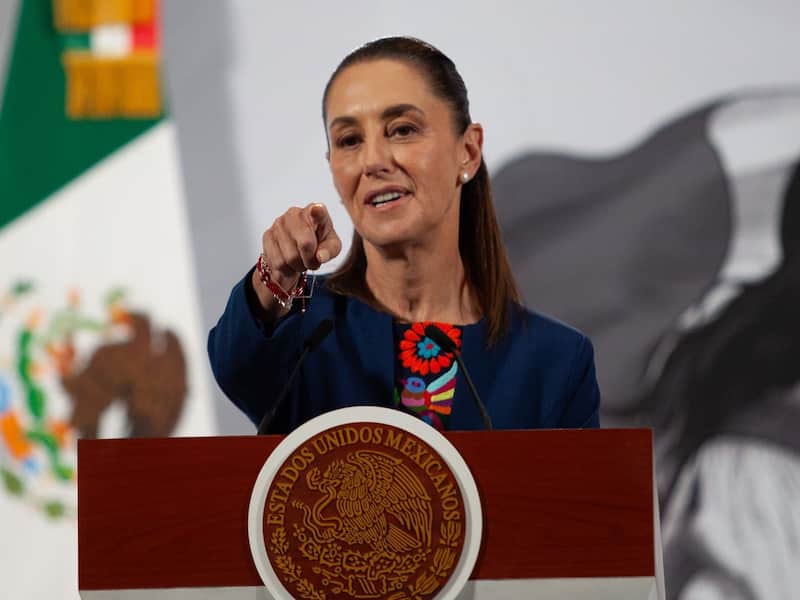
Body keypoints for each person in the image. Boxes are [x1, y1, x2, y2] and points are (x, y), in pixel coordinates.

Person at [208, 36, 600, 433]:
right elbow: (237, 364)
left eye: (401, 130)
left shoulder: (557, 361)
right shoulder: (305, 320)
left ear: (468, 150)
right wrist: (275, 275)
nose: (373, 161)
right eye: (349, 140)